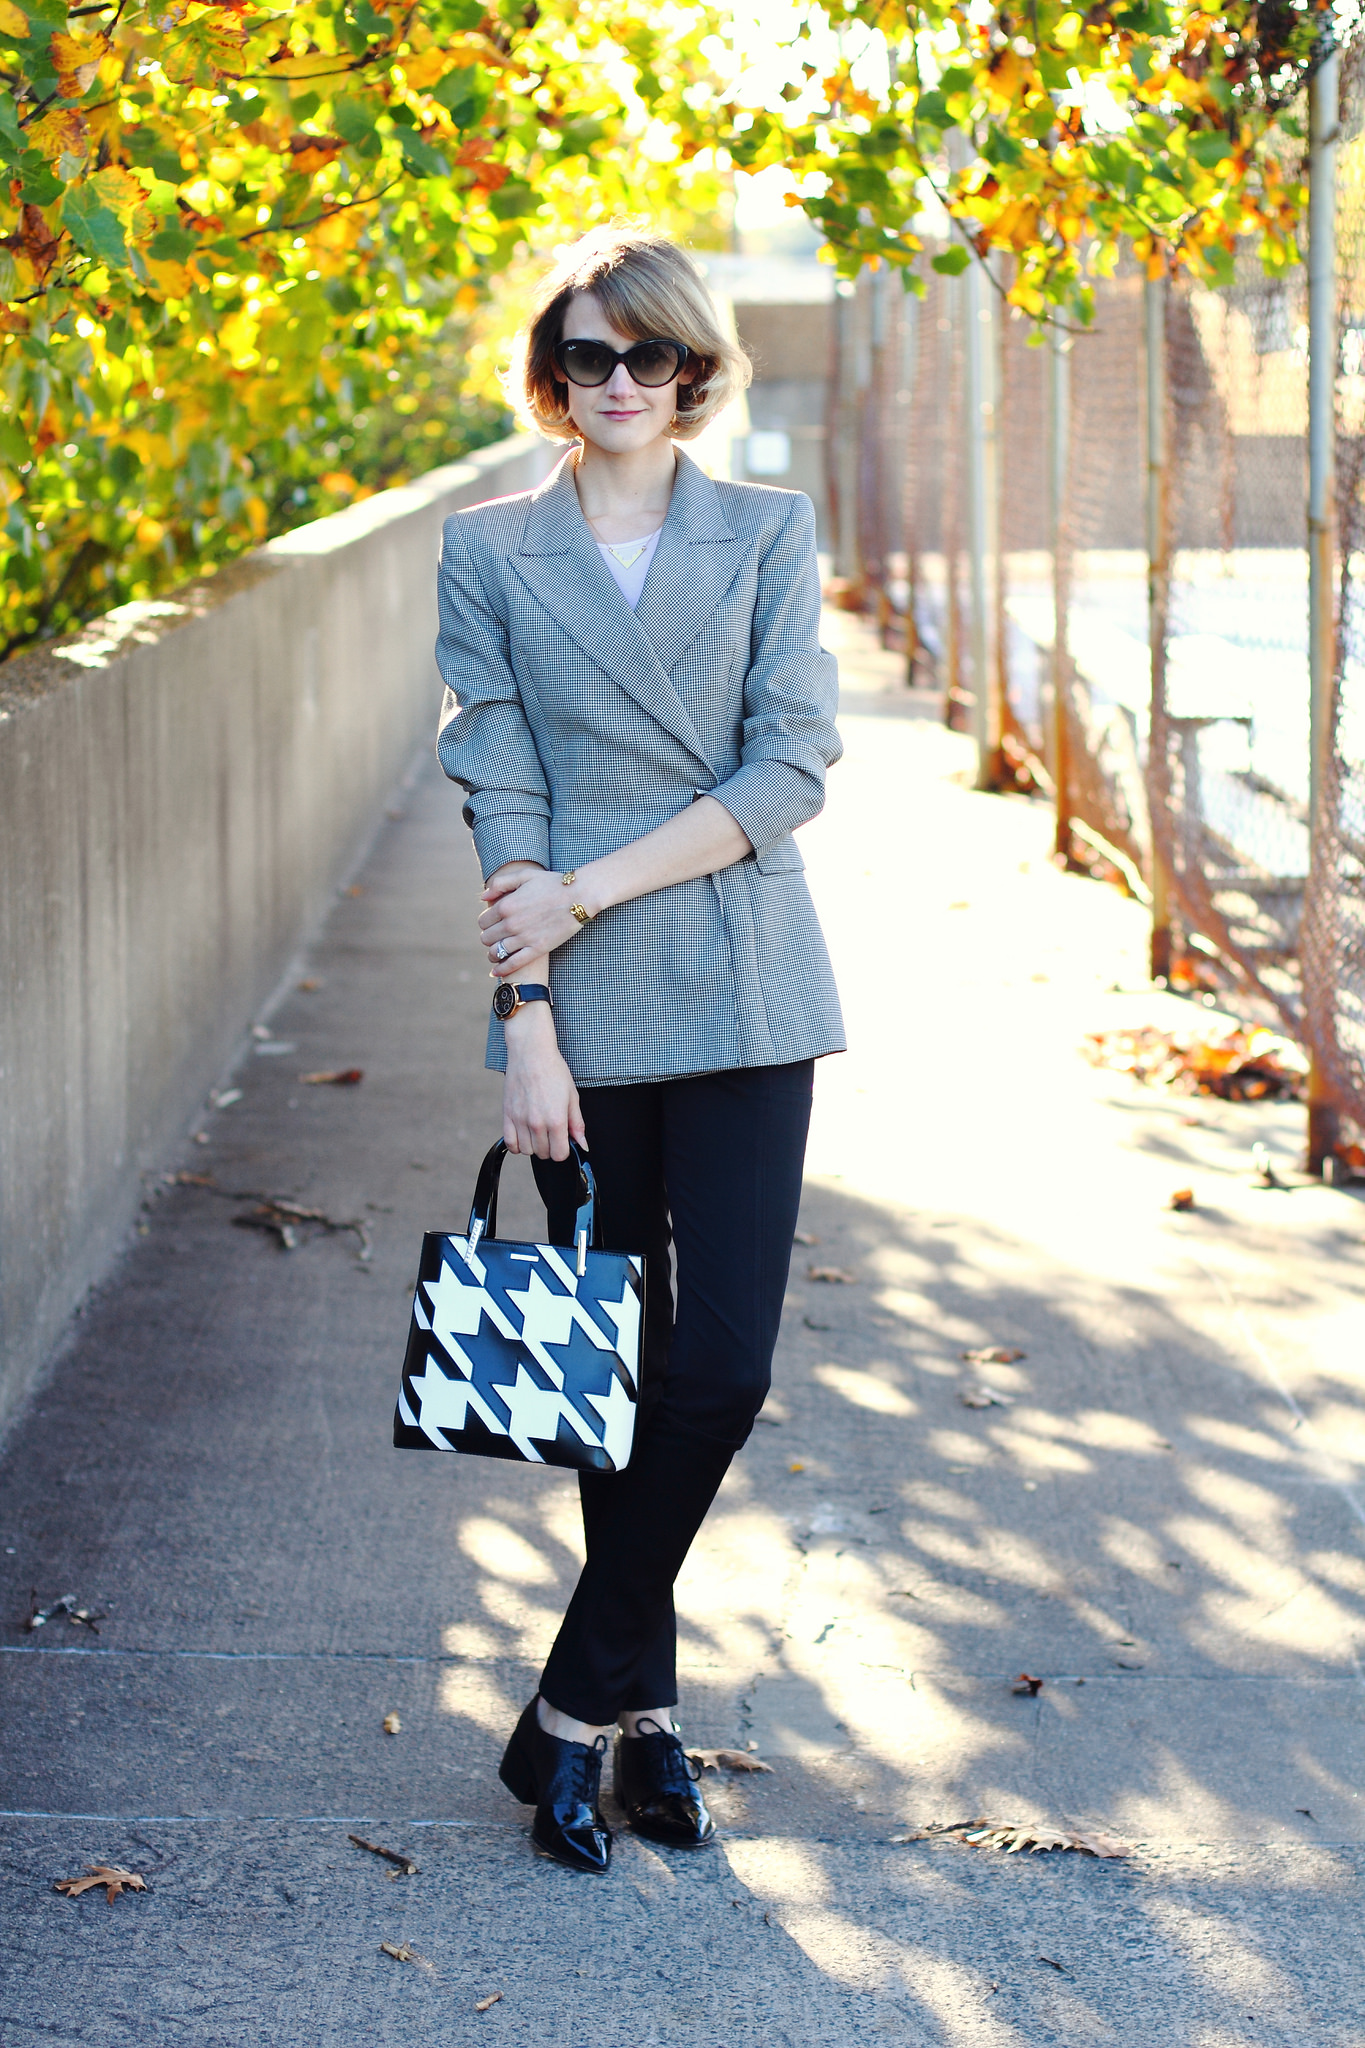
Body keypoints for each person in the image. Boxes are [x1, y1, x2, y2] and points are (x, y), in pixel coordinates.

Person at [434, 226, 844, 1874]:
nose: (620, 385)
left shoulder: (767, 529)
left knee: (722, 1366)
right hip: (580, 1007)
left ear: (693, 374)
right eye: (590, 356)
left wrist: (587, 890)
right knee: (618, 1372)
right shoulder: (488, 548)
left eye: (651, 358)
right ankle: (645, 1728)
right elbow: (497, 781)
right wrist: (525, 1026)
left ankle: (569, 1704)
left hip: (738, 975)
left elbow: (789, 768)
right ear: (552, 369)